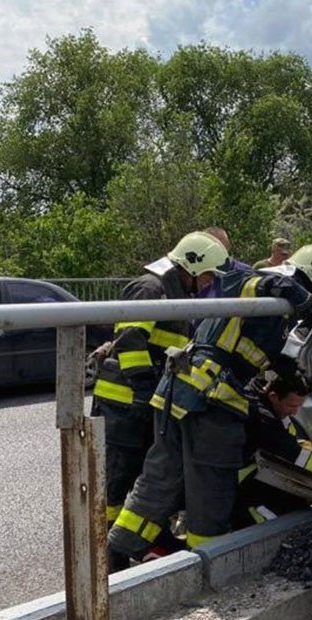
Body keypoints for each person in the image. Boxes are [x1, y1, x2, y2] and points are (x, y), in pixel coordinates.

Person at [107, 242, 312, 562]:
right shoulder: (264, 284)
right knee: (210, 495)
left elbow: (255, 353)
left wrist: (289, 371)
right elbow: (249, 282)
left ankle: (117, 553)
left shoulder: (274, 310)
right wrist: (297, 294)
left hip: (178, 395)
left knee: (158, 483)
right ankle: (206, 564)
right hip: (210, 404)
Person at [92, 232, 219, 571]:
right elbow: (131, 340)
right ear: (191, 266)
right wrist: (147, 388)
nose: (208, 283)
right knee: (116, 484)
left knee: (140, 477)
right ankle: (107, 556)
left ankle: (136, 542)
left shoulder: (173, 291)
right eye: (207, 275)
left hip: (141, 403)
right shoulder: (150, 288)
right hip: (124, 402)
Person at [233, 371, 312, 528]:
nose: (295, 412)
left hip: (256, 472)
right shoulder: (264, 420)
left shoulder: (258, 391)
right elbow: (294, 456)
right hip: (243, 486)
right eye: (292, 406)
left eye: (300, 405)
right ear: (273, 396)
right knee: (280, 525)